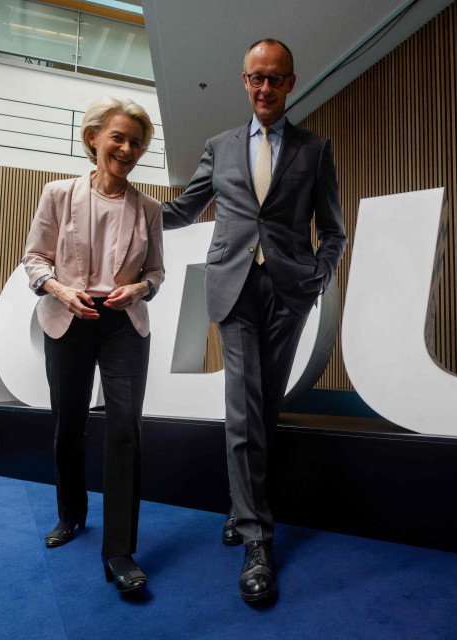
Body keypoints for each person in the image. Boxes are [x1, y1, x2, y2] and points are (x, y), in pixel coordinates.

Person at [162, 38, 347, 602]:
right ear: (244, 82)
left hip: (287, 293)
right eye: (256, 78)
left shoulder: (314, 150)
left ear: (290, 83)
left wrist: (315, 280)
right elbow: (183, 209)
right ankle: (257, 541)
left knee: (265, 406)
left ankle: (239, 504)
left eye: (276, 78)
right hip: (233, 289)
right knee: (243, 404)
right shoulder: (219, 147)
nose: (265, 88)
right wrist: (124, 205)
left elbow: (334, 230)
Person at [23, 96, 164, 593]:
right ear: (94, 139)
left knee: (125, 429)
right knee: (70, 423)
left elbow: (156, 272)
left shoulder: (149, 208)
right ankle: (72, 513)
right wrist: (60, 289)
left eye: (136, 143)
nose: (127, 149)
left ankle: (120, 551)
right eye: (118, 138)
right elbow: (34, 261)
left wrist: (140, 289)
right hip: (67, 316)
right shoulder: (58, 194)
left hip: (123, 321)